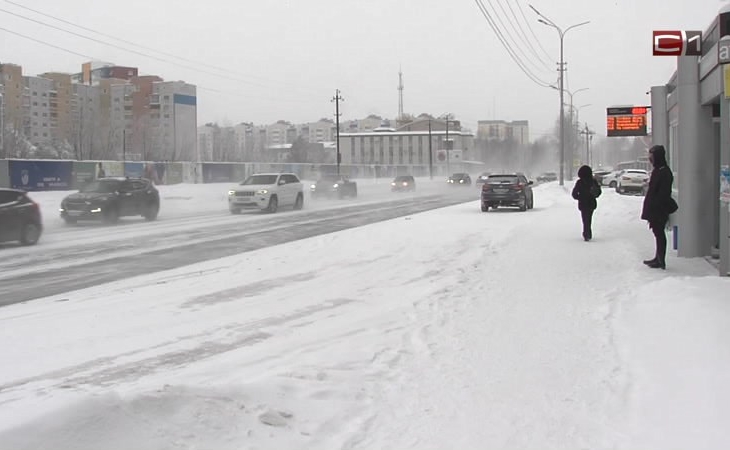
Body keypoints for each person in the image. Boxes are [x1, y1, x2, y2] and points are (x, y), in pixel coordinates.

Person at [641, 145, 675, 270]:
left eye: (652, 156)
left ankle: (661, 260)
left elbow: (662, 193)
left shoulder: (664, 172)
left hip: (659, 209)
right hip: (654, 209)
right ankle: (658, 257)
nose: (650, 158)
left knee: (660, 234)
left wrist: (656, 208)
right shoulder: (658, 170)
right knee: (657, 233)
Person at [571, 165, 602, 241]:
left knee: (585, 219)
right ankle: (588, 232)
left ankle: (586, 233)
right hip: (591, 203)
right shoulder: (593, 181)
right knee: (589, 218)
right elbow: (599, 192)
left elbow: (574, 194)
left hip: (583, 203)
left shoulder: (579, 182)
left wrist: (579, 197)